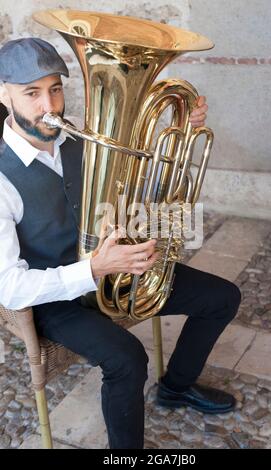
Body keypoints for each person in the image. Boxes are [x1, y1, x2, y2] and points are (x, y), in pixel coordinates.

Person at [0, 38, 241, 449]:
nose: (50, 106)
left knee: (222, 297)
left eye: (55, 88)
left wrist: (184, 135)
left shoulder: (85, 140)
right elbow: (10, 287)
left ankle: (177, 387)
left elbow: (134, 195)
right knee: (128, 359)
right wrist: (94, 269)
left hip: (113, 268)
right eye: (32, 93)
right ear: (3, 95)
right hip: (55, 297)